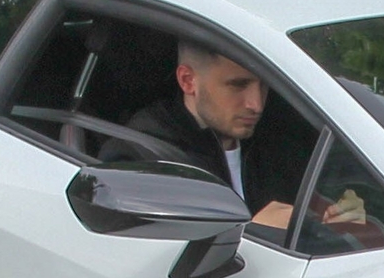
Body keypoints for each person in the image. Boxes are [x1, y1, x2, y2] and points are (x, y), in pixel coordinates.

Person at [125, 41, 297, 230]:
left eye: (264, 85)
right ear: (188, 80)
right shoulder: (147, 155)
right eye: (238, 85)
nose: (256, 104)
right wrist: (254, 231)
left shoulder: (275, 141)